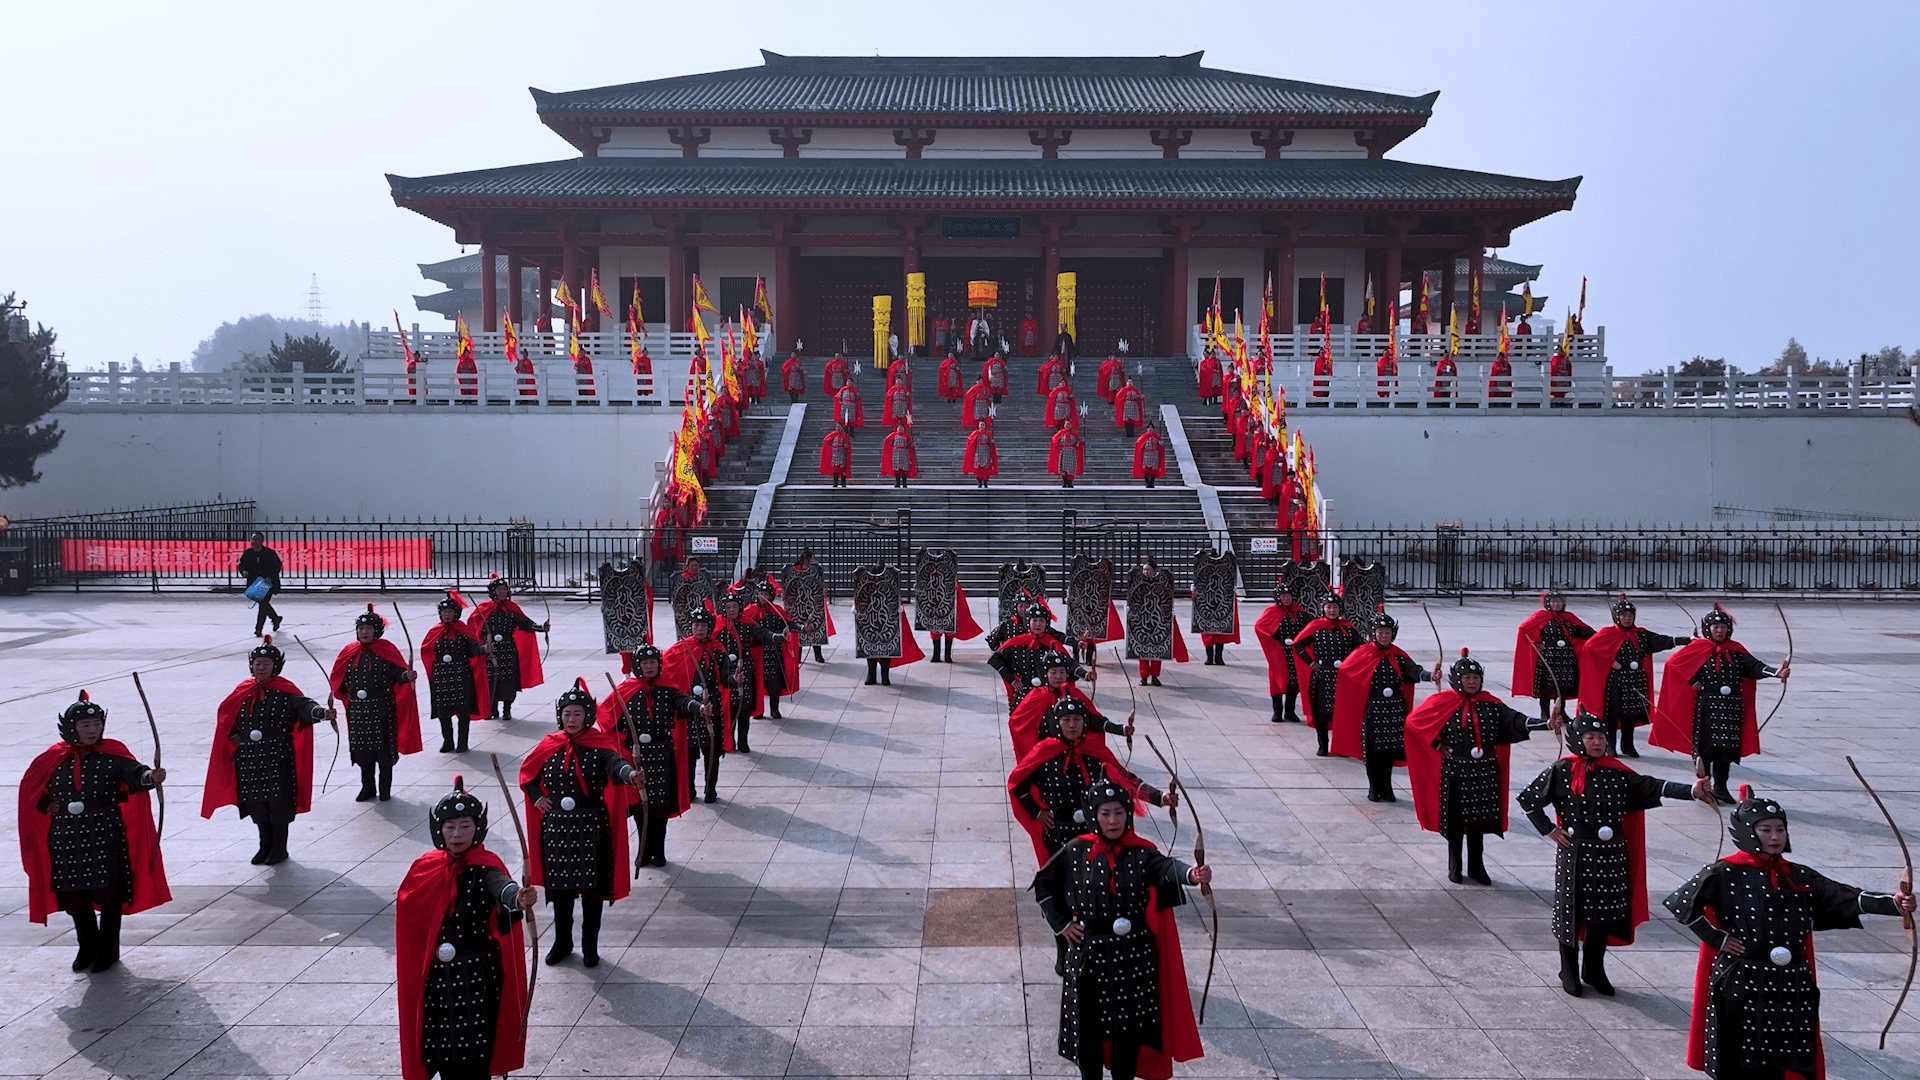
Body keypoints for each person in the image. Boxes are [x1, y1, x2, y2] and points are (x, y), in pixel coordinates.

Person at [1664, 787, 1916, 1080]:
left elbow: (1842, 897)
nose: (1775, 837)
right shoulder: (1725, 872)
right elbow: (1681, 903)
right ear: (1748, 831)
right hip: (1742, 981)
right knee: (1738, 1064)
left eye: (1780, 829)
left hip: (1791, 985)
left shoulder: (1799, 875)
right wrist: (1716, 939)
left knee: (1782, 1063)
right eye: (1766, 829)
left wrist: (1893, 904)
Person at [1517, 714, 1715, 997]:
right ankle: (1569, 969)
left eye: (1600, 738)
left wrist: (1692, 790)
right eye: (1590, 738)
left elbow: (1652, 785)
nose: (1597, 743)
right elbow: (1528, 799)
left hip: (1611, 855)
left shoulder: (1617, 771)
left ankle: (1594, 969)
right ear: (1577, 740)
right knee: (1570, 912)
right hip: (1575, 853)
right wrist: (1549, 830)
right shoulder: (1562, 770)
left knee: (1603, 913)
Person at [1032, 778, 1206, 1080]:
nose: (1113, 821)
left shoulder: (1141, 853)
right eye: (1105, 814)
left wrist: (1191, 874)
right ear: (1093, 816)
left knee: (1128, 1033)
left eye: (1119, 813)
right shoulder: (1075, 851)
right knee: (1088, 1035)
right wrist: (1062, 925)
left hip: (1133, 958)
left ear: (1128, 814)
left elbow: (1165, 868)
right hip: (1088, 958)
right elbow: (1043, 887)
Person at [20, 691, 170, 973]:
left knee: (109, 895)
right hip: (66, 838)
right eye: (85, 725)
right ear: (71, 728)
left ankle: (108, 950)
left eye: (96, 724)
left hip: (105, 835)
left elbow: (136, 774)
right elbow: (31, 790)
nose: (92, 730)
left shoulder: (112, 754)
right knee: (75, 898)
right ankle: (86, 946)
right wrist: (47, 803)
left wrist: (151, 777)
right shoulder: (53, 759)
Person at [396, 778, 534, 1080]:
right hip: (438, 983)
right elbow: (411, 915)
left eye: (465, 827)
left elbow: (502, 888)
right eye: (450, 828)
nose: (457, 834)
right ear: (439, 831)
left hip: (477, 979)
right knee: (444, 1055)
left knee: (475, 1059)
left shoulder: (487, 867)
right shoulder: (425, 868)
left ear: (478, 829)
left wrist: (517, 896)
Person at [519, 680, 639, 966]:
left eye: (577, 714)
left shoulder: (599, 745)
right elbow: (529, 774)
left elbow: (615, 763)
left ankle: (590, 946)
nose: (571, 720)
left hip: (590, 829)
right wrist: (537, 797)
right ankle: (562, 942)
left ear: (587, 716)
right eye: (566, 714)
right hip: (557, 831)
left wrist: (629, 775)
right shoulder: (550, 745)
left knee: (592, 892)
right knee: (559, 892)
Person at [201, 636, 337, 865]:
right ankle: (264, 845)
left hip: (277, 758)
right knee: (255, 803)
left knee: (278, 804)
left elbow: (305, 706)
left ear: (276, 666)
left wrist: (321, 713)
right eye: (257, 663)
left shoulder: (286, 691)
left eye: (265, 663)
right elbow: (226, 717)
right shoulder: (243, 691)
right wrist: (236, 739)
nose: (260, 667)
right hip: (249, 759)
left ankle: (279, 849)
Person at [1403, 651, 1532, 884]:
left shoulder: (1491, 704)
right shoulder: (1442, 702)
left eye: (1475, 677)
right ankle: (1455, 866)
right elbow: (1414, 723)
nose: (1472, 682)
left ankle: (1477, 867)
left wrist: (1544, 724)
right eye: (1466, 677)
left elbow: (1515, 720)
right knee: (1455, 823)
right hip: (1455, 773)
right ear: (1457, 679)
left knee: (1479, 822)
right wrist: (1436, 743)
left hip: (1484, 773)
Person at [1650, 606, 1789, 804]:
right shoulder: (1698, 647)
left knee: (1726, 751)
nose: (1719, 630)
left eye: (1723, 626)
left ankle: (1721, 788)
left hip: (1731, 709)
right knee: (1705, 751)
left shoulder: (1737, 650)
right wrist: (1692, 681)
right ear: (1708, 628)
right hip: (1707, 708)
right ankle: (1704, 788)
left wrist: (1776, 673)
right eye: (1715, 626)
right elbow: (1673, 664)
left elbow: (1755, 667)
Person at [599, 644, 700, 867]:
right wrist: (623, 734)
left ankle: (659, 850)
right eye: (645, 663)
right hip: (637, 756)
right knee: (639, 804)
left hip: (662, 754)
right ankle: (644, 850)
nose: (649, 666)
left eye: (653, 662)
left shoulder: (668, 688)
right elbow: (608, 714)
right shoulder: (626, 689)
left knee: (660, 805)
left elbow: (683, 701)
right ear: (638, 665)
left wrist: (697, 708)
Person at [1330, 612, 1435, 801]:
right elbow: (1347, 671)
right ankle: (1373, 787)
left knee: (1390, 751)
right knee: (1373, 752)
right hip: (1373, 712)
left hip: (1395, 712)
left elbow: (1414, 671)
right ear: (1373, 633)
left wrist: (1430, 676)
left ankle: (1386, 787)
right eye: (1380, 632)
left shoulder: (1398, 656)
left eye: (1387, 632)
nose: (1384, 636)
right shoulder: (1363, 654)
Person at [1576, 595, 1690, 758]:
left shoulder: (1641, 634)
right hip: (1615, 683)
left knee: (1630, 715)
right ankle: (1610, 746)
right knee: (1612, 716)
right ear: (1617, 617)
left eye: (1630, 615)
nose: (1627, 619)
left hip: (1636, 682)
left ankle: (1628, 746)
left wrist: (1687, 640)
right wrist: (1610, 661)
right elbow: (1590, 648)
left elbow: (1662, 640)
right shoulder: (1607, 633)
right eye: (1623, 615)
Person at [331, 604, 422, 803]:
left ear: (377, 631)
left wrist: (406, 675)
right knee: (362, 751)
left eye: (369, 629)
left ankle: (384, 788)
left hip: (382, 708)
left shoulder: (386, 650)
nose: (364, 632)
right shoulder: (349, 652)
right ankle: (367, 787)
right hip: (358, 712)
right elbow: (338, 678)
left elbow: (398, 673)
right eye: (361, 629)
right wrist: (343, 694)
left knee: (384, 752)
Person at [662, 607, 730, 804]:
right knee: (689, 751)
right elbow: (666, 673)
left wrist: (734, 679)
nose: (699, 629)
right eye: (696, 625)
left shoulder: (717, 649)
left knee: (711, 750)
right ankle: (689, 789)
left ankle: (711, 789)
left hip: (711, 707)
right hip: (688, 709)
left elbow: (726, 677)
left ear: (709, 628)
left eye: (703, 626)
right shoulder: (679, 649)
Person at [1008, 654, 1131, 759]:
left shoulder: (1075, 694)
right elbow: (1017, 722)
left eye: (1062, 672)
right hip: (1044, 750)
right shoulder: (1035, 696)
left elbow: (1092, 719)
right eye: (1054, 672)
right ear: (1046, 674)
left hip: (1072, 751)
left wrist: (1120, 729)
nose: (1058, 676)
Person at [1510, 589, 1594, 730]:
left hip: (1566, 658)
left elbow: (1586, 632)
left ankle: (1561, 712)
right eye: (1553, 601)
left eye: (1559, 601)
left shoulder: (1569, 618)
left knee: (1562, 687)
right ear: (1547, 603)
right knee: (1546, 686)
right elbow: (1525, 629)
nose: (1556, 604)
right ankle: (1545, 713)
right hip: (1548, 658)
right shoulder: (1540, 616)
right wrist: (1537, 642)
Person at [467, 577, 547, 722]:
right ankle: (492, 709)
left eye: (504, 589)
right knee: (491, 680)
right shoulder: (483, 609)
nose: (502, 592)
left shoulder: (511, 608)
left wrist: (540, 628)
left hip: (508, 649)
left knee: (508, 679)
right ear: (493, 592)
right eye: (499, 590)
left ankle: (507, 710)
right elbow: (473, 628)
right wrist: (483, 640)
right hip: (490, 650)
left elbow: (525, 623)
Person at [1295, 598, 1365, 756]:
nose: (1332, 610)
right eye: (1329, 607)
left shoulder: (1347, 627)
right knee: (1321, 712)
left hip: (1343, 676)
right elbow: (1298, 644)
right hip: (1322, 676)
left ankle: (1340, 746)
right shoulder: (1315, 627)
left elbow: (1360, 648)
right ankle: (1323, 744)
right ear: (1323, 609)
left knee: (1342, 712)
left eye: (1335, 607)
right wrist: (1310, 662)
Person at [422, 591, 490, 753]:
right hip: (441, 678)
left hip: (461, 676)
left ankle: (462, 742)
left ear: (456, 613)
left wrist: (484, 648)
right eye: (444, 612)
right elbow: (427, 651)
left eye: (450, 612)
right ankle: (448, 741)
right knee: (443, 712)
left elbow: (474, 648)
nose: (447, 615)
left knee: (463, 711)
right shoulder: (434, 632)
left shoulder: (463, 630)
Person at [991, 606, 1076, 711]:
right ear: (1028, 622)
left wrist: (1086, 675)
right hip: (1024, 694)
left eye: (1041, 621)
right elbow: (995, 660)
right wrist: (1012, 680)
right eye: (1034, 620)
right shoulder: (1016, 643)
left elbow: (1071, 665)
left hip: (1048, 695)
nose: (1038, 624)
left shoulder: (1052, 644)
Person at [1252, 583, 1312, 723]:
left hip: (1296, 652)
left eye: (1288, 596)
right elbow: (1260, 627)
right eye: (1283, 596)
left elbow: (1311, 626)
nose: (1286, 599)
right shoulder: (1272, 611)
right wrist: (1278, 638)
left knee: (1294, 681)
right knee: (1278, 681)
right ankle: (1277, 711)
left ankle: (1289, 711)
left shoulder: (1300, 612)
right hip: (1279, 652)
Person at [741, 577, 799, 720]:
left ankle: (774, 709)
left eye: (766, 594)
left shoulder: (777, 611)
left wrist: (803, 628)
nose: (763, 597)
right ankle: (758, 710)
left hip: (774, 652)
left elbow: (790, 624)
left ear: (771, 596)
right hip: (756, 652)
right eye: (761, 594)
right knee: (756, 682)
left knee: (774, 681)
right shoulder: (749, 611)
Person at [238, 531, 283, 637]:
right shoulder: (248, 553)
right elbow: (242, 565)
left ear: (262, 541)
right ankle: (275, 618)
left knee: (263, 604)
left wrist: (270, 577)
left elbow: (277, 566)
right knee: (263, 604)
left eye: (257, 539)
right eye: (253, 539)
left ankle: (258, 629)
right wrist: (243, 572)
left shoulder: (269, 553)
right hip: (254, 582)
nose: (255, 541)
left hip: (268, 582)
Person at [881, 420, 918, 488]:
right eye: (899, 427)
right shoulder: (893, 435)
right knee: (896, 468)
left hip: (904, 453)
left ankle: (904, 483)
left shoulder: (907, 436)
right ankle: (897, 483)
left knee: (904, 468)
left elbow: (911, 444)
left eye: (901, 427)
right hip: (896, 453)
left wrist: (911, 445)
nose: (900, 429)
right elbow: (887, 441)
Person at [964, 419, 998, 489]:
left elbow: (991, 441)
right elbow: (970, 440)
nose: (982, 426)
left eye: (983, 425)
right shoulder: (975, 433)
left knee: (986, 467)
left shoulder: (988, 433)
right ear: (979, 426)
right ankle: (979, 482)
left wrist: (992, 442)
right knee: (978, 468)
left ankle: (985, 482)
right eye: (981, 425)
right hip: (978, 450)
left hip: (986, 451)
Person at [1049, 423, 1085, 489]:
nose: (1068, 425)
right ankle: (1065, 482)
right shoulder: (1061, 432)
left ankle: (1070, 482)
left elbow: (1078, 441)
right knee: (1064, 468)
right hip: (1064, 451)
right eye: (1067, 424)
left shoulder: (1074, 433)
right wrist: (1058, 445)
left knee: (1071, 468)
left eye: (1069, 424)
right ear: (1064, 425)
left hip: (1072, 452)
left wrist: (1081, 442)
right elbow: (1054, 439)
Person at [819, 421, 853, 488]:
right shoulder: (833, 434)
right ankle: (835, 483)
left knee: (843, 469)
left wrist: (845, 445)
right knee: (835, 469)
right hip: (835, 453)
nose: (838, 428)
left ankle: (843, 483)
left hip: (842, 453)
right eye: (837, 427)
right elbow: (826, 440)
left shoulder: (845, 436)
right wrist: (830, 446)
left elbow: (848, 445)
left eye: (839, 427)